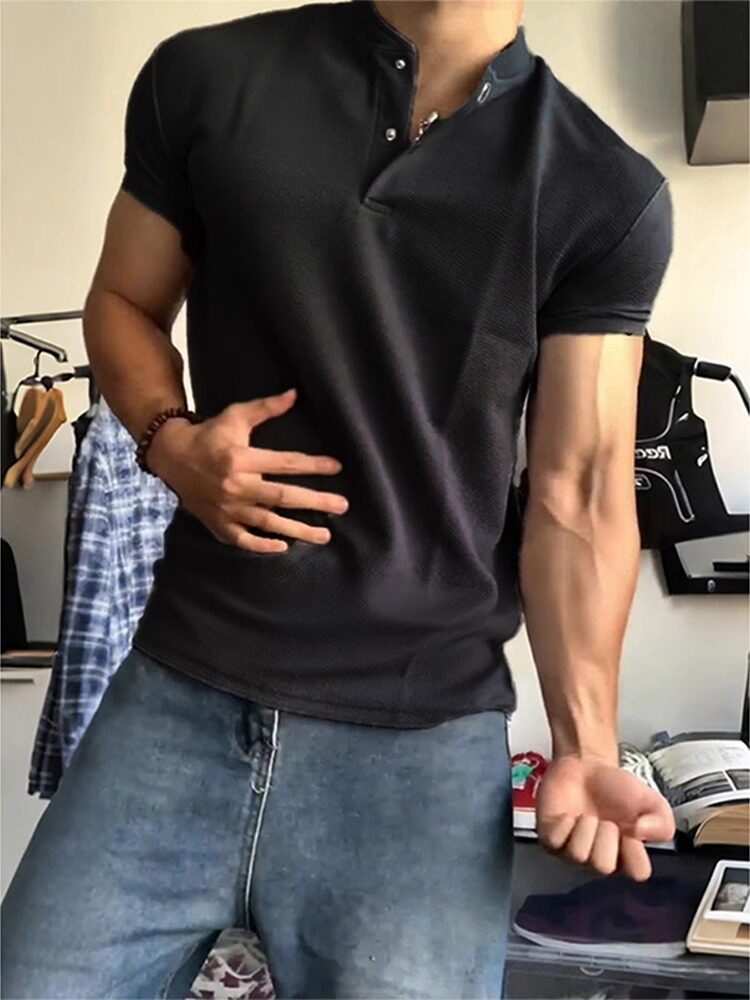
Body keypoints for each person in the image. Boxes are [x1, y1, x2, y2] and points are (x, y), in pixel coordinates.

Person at [0, 1, 677, 997]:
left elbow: (579, 488)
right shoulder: (208, 76)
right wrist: (169, 441)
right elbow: (124, 302)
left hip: (420, 753)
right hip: (178, 695)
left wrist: (586, 745)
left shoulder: (604, 189)